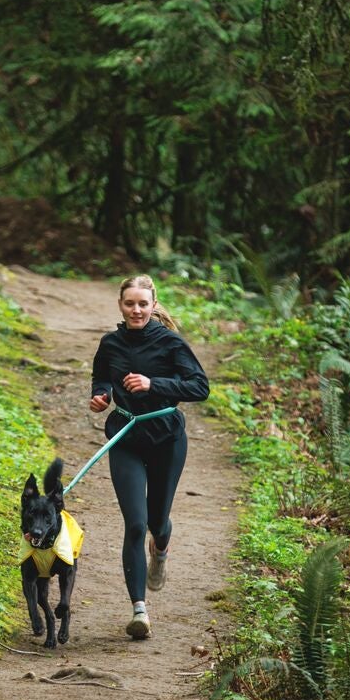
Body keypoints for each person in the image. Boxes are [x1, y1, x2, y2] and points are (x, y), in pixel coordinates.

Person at [88, 274, 209, 640]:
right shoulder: (110, 344)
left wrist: (154, 384)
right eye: (130, 304)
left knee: (156, 522)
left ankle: (162, 545)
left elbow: (199, 387)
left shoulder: (171, 343)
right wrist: (101, 395)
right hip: (125, 436)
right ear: (120, 305)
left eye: (143, 304)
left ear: (153, 305)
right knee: (135, 524)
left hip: (167, 439)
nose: (136, 310)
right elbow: (100, 378)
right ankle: (139, 610)